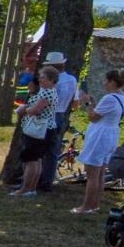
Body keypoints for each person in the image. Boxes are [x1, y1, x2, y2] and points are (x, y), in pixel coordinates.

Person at [73, 67, 124, 214]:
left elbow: (93, 117)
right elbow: (101, 113)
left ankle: (86, 206)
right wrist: (94, 105)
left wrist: (88, 103)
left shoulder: (109, 98)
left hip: (101, 135)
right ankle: (95, 204)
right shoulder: (122, 97)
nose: (104, 83)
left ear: (113, 82)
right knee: (100, 172)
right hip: (112, 134)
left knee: (92, 173)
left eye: (106, 81)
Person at [11, 66, 60, 197]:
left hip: (40, 129)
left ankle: (25, 188)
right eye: (40, 77)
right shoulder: (49, 91)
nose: (40, 80)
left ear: (51, 80)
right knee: (36, 159)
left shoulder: (46, 92)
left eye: (43, 78)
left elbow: (36, 110)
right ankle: (31, 188)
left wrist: (23, 110)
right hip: (46, 129)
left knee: (31, 159)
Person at [38, 51, 79, 192]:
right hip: (61, 113)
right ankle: (47, 180)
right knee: (53, 151)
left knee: (38, 148)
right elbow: (75, 102)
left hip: (49, 114)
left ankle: (35, 179)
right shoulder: (72, 80)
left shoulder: (53, 82)